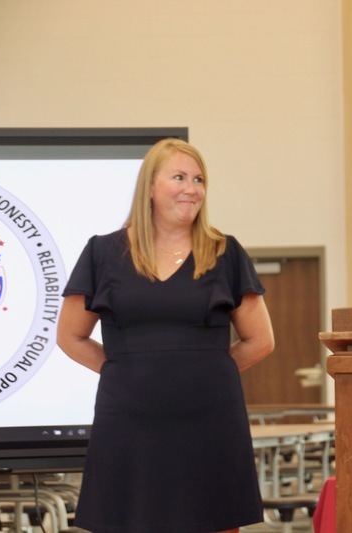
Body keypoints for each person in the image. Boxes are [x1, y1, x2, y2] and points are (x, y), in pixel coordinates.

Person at [57, 138, 275, 532]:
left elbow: (261, 340)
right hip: (129, 420)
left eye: (199, 179)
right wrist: (124, 370)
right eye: (179, 177)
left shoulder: (225, 252)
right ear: (151, 187)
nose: (192, 188)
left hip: (210, 419)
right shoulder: (103, 253)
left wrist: (208, 371)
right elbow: (70, 336)